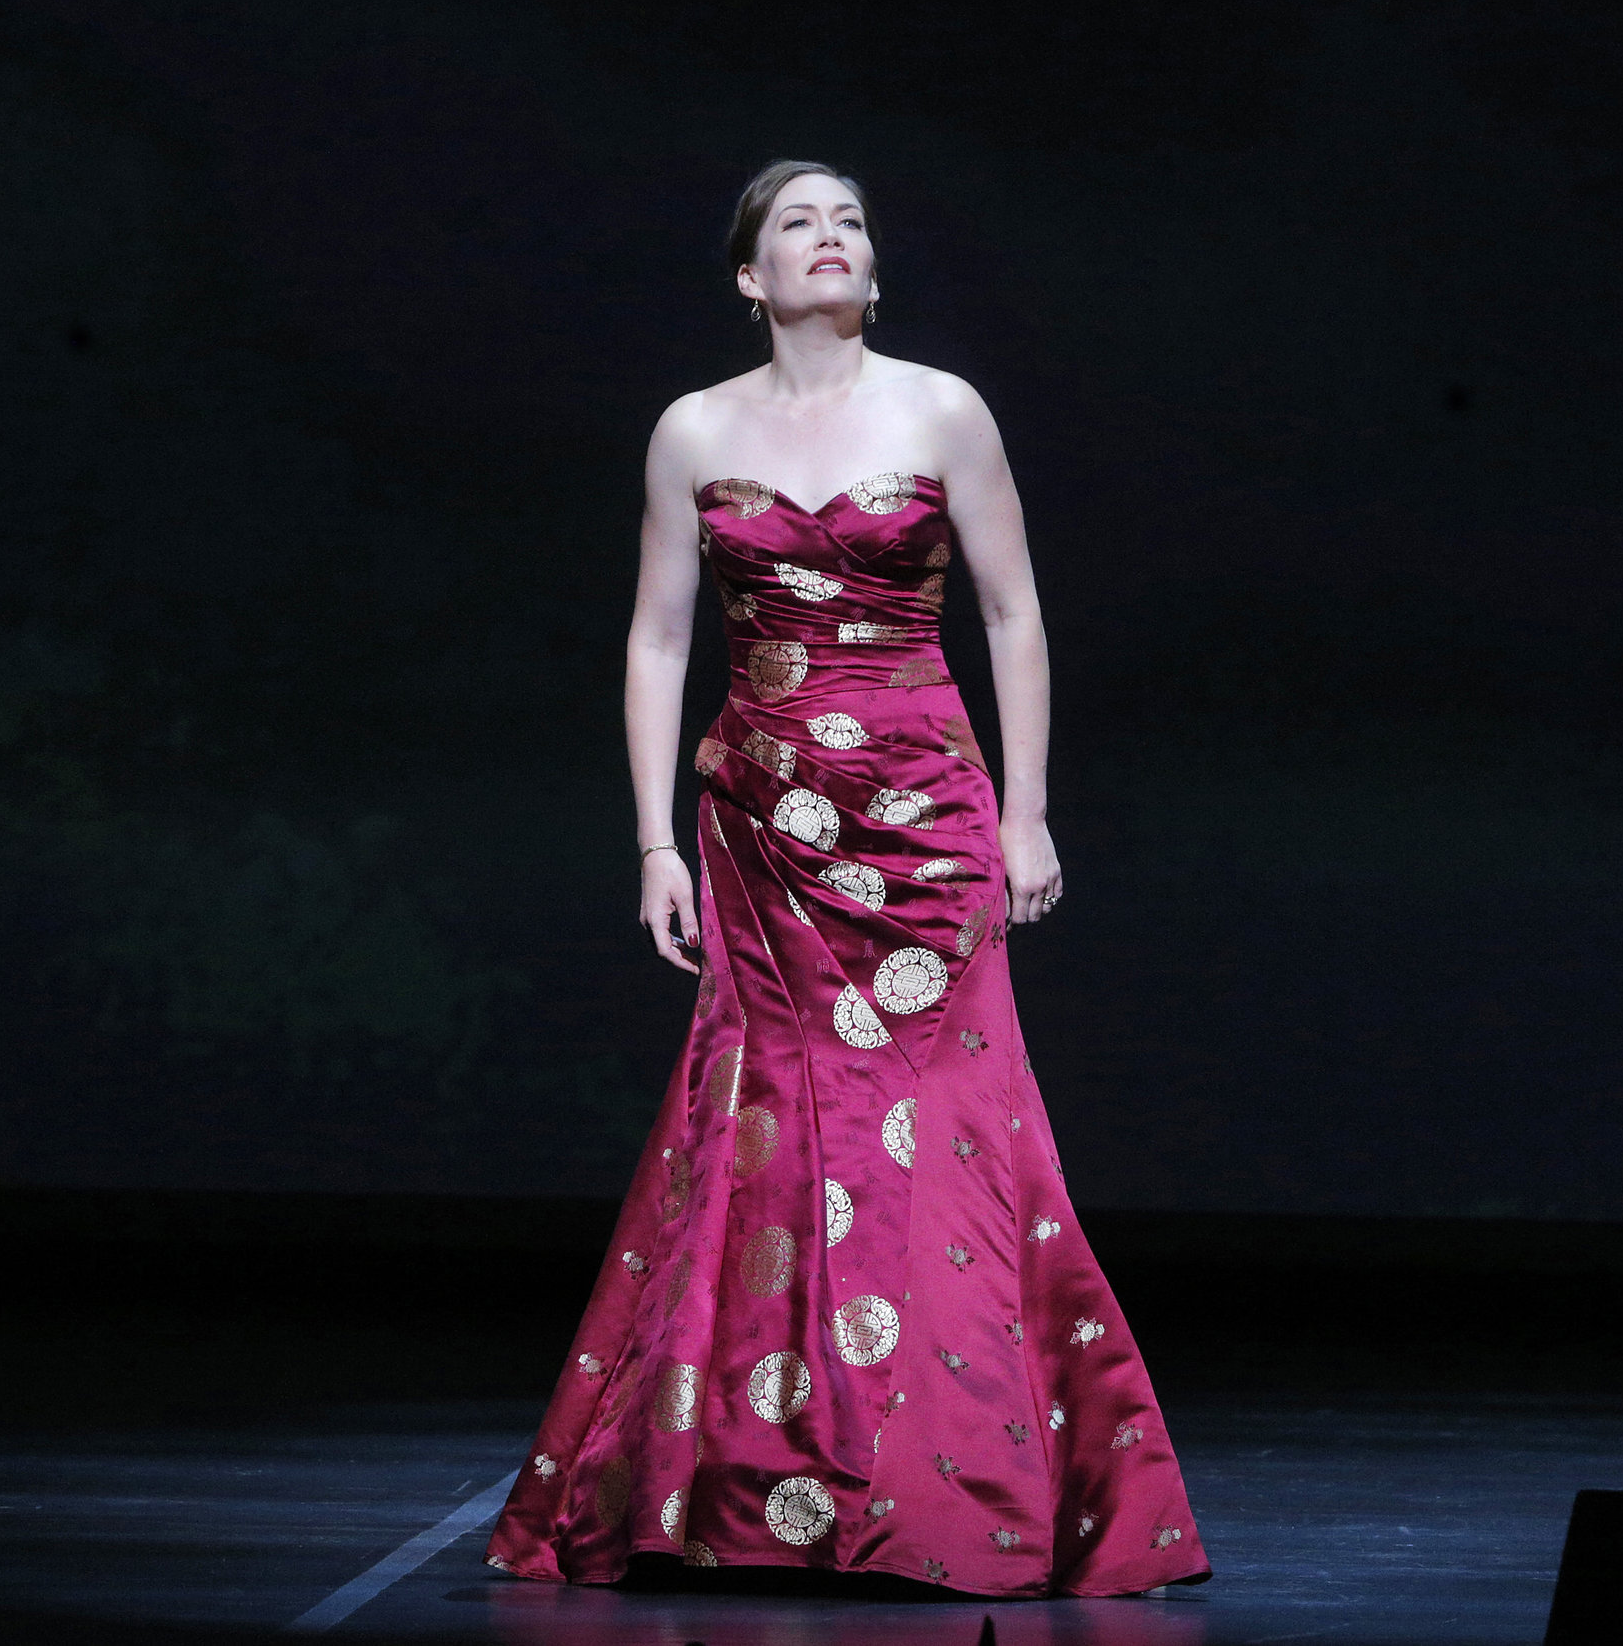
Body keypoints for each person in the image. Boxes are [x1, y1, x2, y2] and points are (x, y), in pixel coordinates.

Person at [483, 160, 1209, 1598]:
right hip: (759, 822)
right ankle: (760, 1481)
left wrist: (1029, 815)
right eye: (799, 223)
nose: (833, 237)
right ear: (751, 277)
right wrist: (650, 841)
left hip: (923, 816)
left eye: (852, 221)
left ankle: (957, 1475)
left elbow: (1012, 610)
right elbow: (653, 641)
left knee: (940, 1125)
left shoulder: (942, 408)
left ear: (874, 272)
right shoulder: (694, 430)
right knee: (772, 1123)